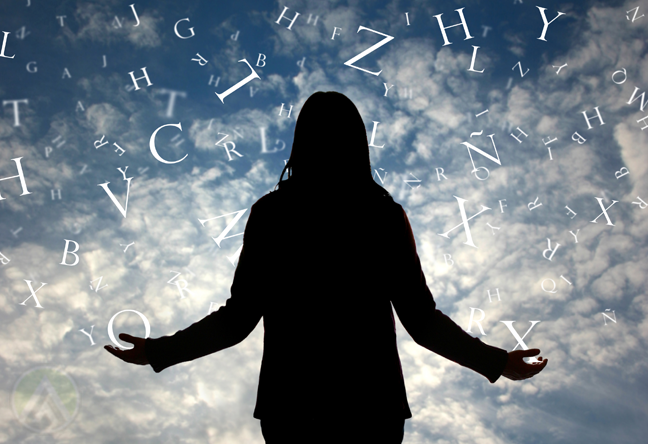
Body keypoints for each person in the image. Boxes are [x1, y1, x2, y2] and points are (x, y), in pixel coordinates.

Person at [105, 91, 547, 443]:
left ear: (302, 141)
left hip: (297, 407)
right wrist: (495, 362)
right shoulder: (379, 215)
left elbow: (237, 320)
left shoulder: (276, 213)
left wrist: (160, 352)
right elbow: (422, 321)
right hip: (367, 407)